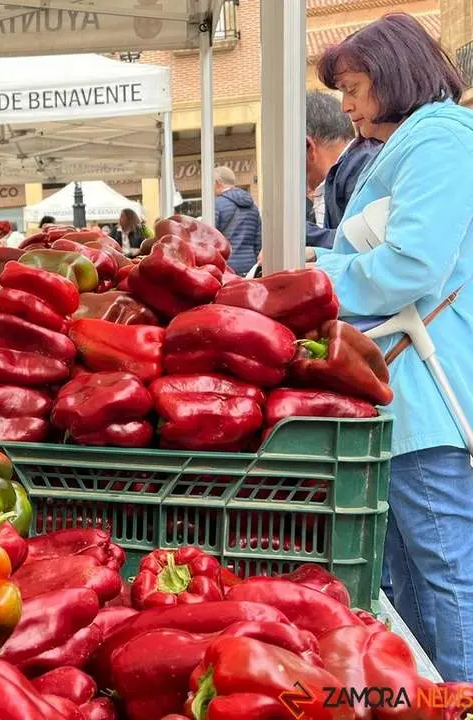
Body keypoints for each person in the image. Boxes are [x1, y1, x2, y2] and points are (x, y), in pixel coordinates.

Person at [311, 13, 473, 682]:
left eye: (353, 86)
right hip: (405, 391)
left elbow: (411, 265)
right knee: (417, 580)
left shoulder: (441, 143)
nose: (345, 105)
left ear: (395, 74)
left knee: (443, 575)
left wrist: (311, 272)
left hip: (424, 393)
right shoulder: (418, 144)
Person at [305, 90, 382, 249]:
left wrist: (298, 234)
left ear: (308, 146)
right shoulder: (338, 176)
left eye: (353, 88)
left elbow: (365, 243)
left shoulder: (361, 168)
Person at [213, 166, 262, 276]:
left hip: (226, 268)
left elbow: (210, 240)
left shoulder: (216, 205)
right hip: (250, 267)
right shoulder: (253, 207)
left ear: (217, 183)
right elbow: (258, 242)